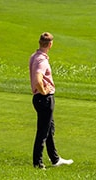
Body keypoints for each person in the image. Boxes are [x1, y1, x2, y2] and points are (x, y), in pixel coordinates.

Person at [30, 32, 73, 169]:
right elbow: (37, 80)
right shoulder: (42, 60)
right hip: (44, 99)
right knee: (43, 131)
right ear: (50, 44)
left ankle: (55, 159)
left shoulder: (34, 56)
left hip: (40, 99)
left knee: (49, 129)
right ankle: (38, 163)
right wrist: (43, 91)